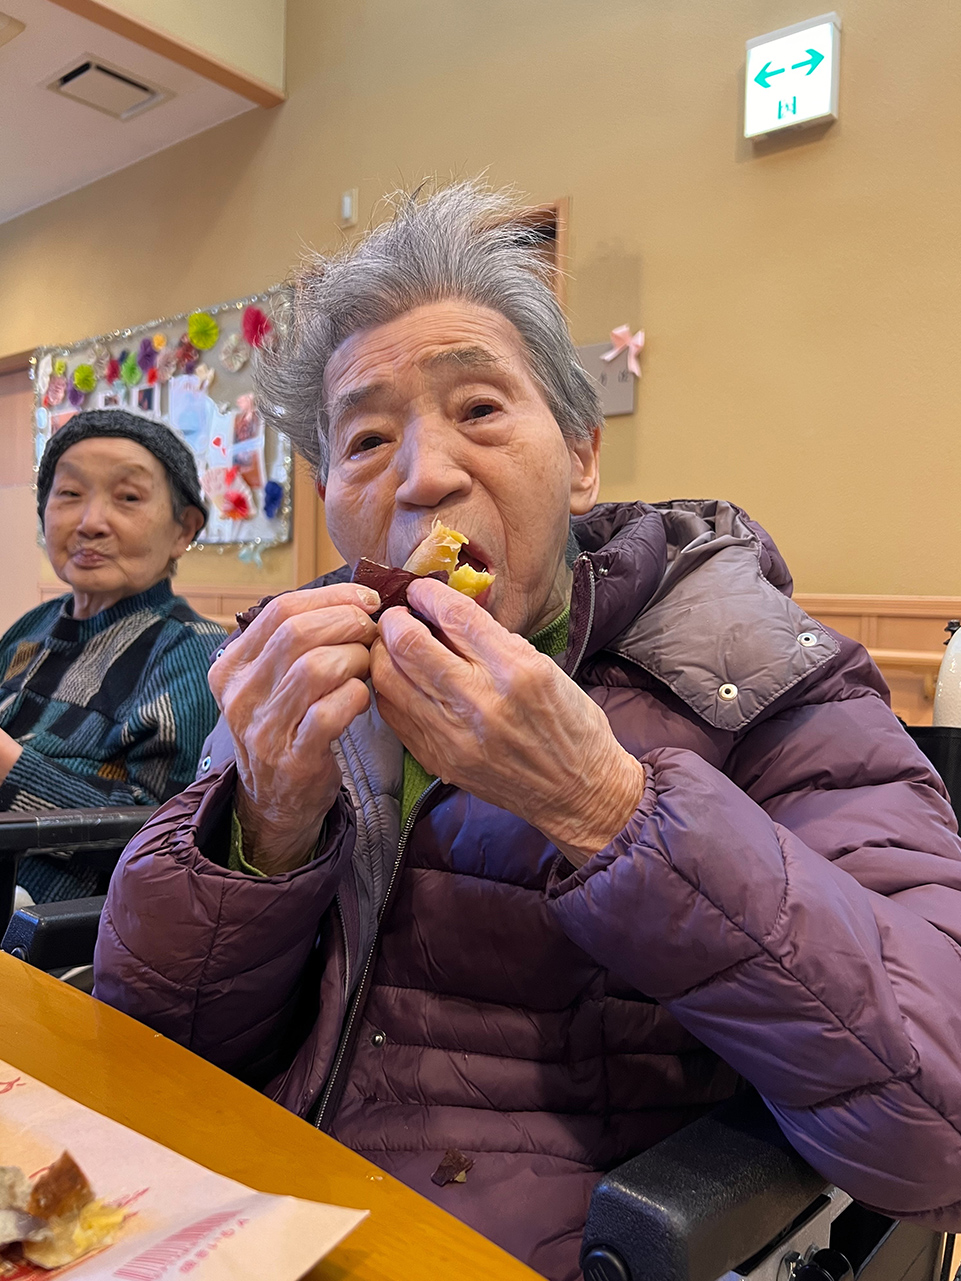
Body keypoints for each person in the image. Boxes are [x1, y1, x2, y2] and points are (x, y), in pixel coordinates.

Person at [95, 185, 961, 1281]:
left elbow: (936, 1132)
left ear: (582, 455)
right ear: (334, 496)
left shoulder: (766, 674)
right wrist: (261, 826)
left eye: (480, 411)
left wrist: (606, 808)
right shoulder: (296, 672)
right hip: (260, 1216)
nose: (424, 475)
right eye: (367, 439)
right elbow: (153, 1056)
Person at [0, 410, 226, 902]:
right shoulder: (30, 629)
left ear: (183, 529)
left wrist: (9, 766)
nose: (90, 522)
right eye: (69, 494)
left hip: (59, 950)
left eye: (127, 497)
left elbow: (170, 847)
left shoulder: (195, 656)